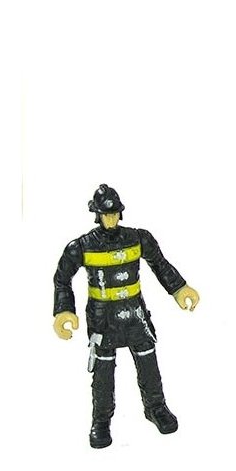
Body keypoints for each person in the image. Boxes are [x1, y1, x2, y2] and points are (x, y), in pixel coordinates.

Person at [53, 184, 199, 448]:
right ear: (97, 215)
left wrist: (179, 289)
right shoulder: (83, 246)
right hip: (102, 320)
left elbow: (160, 264)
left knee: (148, 364)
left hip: (135, 316)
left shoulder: (138, 239)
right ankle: (101, 420)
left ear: (120, 213)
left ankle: (156, 408)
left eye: (114, 214)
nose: (110, 220)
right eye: (105, 215)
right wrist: (64, 311)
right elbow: (62, 278)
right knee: (103, 373)